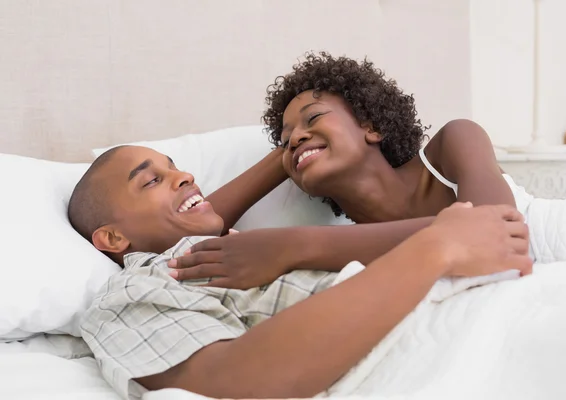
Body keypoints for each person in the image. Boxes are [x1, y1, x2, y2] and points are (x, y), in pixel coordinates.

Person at [70, 144, 530, 399]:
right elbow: (234, 380)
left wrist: (285, 153)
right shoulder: (129, 294)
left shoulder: (231, 247)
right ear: (111, 239)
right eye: (151, 180)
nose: (186, 175)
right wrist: (433, 250)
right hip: (449, 345)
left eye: (177, 165)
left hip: (500, 303)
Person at [168, 51, 566, 283]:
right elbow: (185, 230)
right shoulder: (354, 248)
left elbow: (498, 238)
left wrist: (290, 246)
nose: (294, 137)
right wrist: (288, 154)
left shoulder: (453, 146)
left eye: (314, 118)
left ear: (371, 125)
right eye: (283, 138)